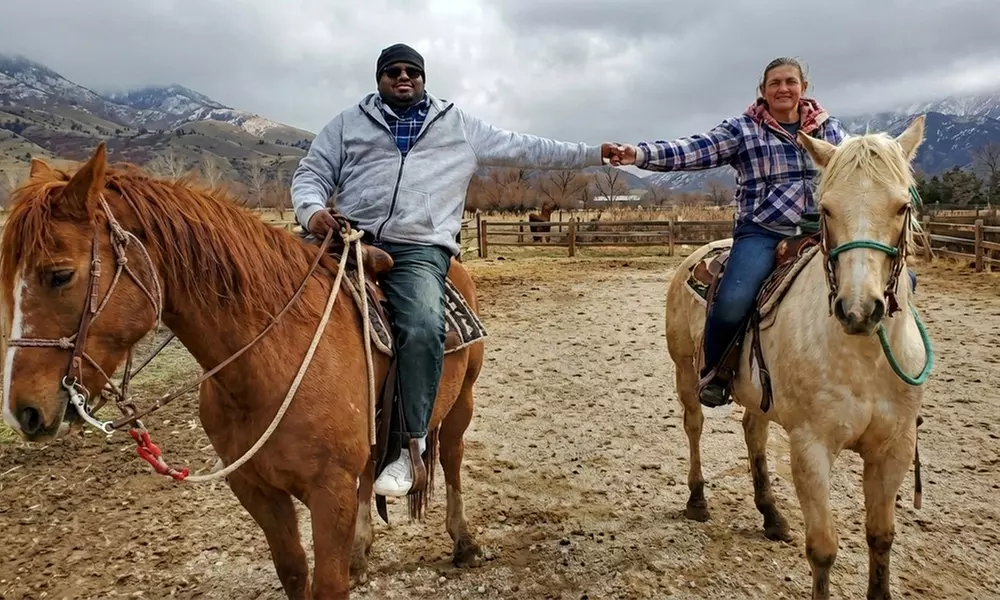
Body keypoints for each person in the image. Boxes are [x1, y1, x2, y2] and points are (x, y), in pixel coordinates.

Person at [291, 42, 622, 497]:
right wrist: (311, 211)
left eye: (411, 71)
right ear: (379, 79)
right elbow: (312, 172)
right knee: (277, 294)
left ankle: (410, 445)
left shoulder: (458, 125)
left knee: (425, 327)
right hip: (349, 236)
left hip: (417, 247)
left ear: (423, 79)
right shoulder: (347, 124)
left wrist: (594, 153)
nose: (402, 77)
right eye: (392, 71)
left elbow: (529, 149)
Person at [612, 57, 848, 408]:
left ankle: (884, 380)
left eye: (790, 82)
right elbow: (694, 150)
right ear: (763, 91)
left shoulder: (830, 131)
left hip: (821, 230)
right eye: (775, 83)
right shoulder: (744, 130)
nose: (783, 88)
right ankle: (717, 371)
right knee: (733, 299)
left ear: (803, 88)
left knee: (892, 284)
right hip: (764, 230)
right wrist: (640, 154)